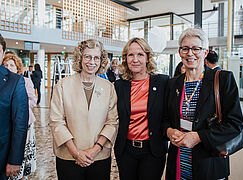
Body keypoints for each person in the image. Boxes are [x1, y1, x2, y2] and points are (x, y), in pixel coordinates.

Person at [162, 27, 243, 180]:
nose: (190, 53)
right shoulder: (173, 83)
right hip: (179, 158)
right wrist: (169, 131)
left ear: (205, 52)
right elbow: (165, 118)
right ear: (180, 52)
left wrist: (199, 137)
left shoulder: (222, 79)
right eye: (185, 48)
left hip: (209, 160)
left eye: (196, 48)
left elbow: (235, 124)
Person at [49, 39, 118, 180]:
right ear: (80, 58)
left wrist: (95, 150)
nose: (91, 62)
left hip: (99, 157)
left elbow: (112, 122)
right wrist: (76, 153)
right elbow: (57, 122)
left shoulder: (109, 87)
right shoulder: (63, 85)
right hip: (69, 157)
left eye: (96, 57)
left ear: (101, 60)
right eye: (87, 56)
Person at [114, 37, 169, 180]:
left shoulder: (163, 82)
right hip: (126, 150)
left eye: (140, 54)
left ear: (147, 58)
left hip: (153, 150)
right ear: (125, 58)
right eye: (130, 55)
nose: (135, 59)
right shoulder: (119, 86)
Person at [2, 54, 37, 180]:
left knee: (24, 151)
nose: (8, 67)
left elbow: (33, 100)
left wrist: (18, 103)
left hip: (25, 123)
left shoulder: (25, 81)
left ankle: (23, 175)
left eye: (12, 65)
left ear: (17, 68)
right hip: (8, 124)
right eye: (6, 65)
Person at [0, 34, 29, 180]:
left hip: (2, 158)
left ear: (3, 53)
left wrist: (15, 159)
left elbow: (20, 123)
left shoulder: (15, 81)